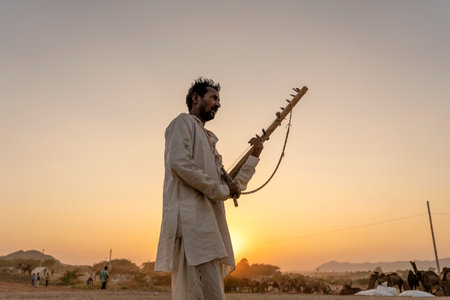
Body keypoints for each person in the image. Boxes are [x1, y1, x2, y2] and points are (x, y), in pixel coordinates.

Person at [155, 77, 263, 299]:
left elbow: (230, 187)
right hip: (192, 224)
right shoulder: (182, 123)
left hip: (209, 227)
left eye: (219, 99)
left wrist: (254, 157)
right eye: (213, 97)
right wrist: (219, 190)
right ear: (196, 98)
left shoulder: (209, 141)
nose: (218, 104)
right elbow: (179, 163)